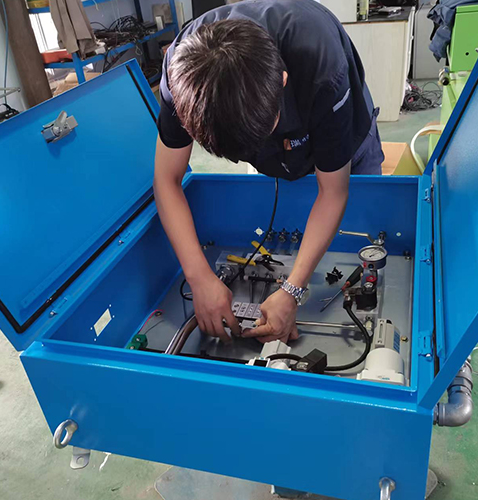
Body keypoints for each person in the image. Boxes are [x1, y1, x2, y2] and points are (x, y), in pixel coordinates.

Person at [154, 0, 384, 345]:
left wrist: (293, 289)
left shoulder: (322, 68)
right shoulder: (181, 76)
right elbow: (166, 180)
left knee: (362, 237)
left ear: (283, 82)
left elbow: (333, 192)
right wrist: (199, 276)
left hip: (343, 135)